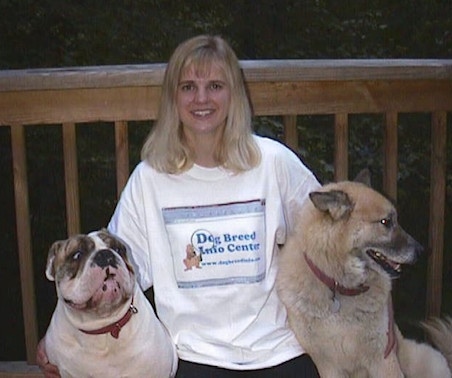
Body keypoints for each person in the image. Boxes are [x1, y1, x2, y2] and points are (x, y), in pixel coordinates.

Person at [37, 34, 321, 377]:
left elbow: (337, 238)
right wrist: (57, 337)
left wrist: (377, 321)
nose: (201, 98)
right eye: (188, 87)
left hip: (279, 351)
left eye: (215, 85)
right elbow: (113, 273)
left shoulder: (273, 163)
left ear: (234, 94)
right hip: (193, 356)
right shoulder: (149, 179)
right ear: (173, 97)